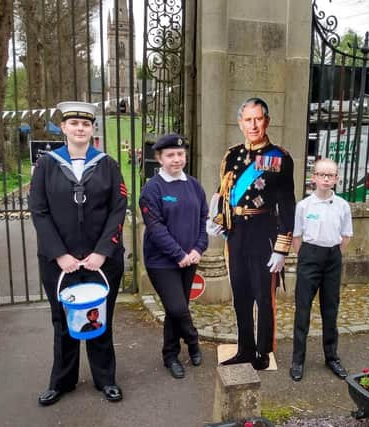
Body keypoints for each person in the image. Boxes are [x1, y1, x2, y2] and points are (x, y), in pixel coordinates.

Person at [29, 101, 127, 406]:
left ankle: (105, 379)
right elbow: (38, 210)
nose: (80, 129)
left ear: (92, 128)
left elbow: (118, 208)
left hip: (101, 261)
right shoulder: (47, 165)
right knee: (62, 321)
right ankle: (62, 381)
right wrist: (60, 255)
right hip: (60, 262)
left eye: (86, 124)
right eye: (74, 124)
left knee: (101, 319)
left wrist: (102, 252)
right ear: (64, 128)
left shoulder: (107, 164)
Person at [210, 97, 295, 370]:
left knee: (263, 297)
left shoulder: (280, 158)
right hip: (236, 234)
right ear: (241, 123)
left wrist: (282, 247)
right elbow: (223, 193)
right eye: (248, 120)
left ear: (266, 121)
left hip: (263, 233)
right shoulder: (231, 155)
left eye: (258, 119)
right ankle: (244, 348)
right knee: (241, 294)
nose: (254, 125)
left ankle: (262, 352)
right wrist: (218, 219)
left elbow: (287, 204)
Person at [139, 133, 208, 379]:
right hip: (162, 262)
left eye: (180, 154)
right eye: (170, 155)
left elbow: (203, 222)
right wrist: (178, 254)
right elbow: (155, 228)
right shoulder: (152, 189)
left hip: (190, 259)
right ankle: (193, 341)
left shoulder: (194, 186)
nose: (176, 159)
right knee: (178, 308)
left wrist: (198, 249)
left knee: (175, 309)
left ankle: (170, 355)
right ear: (159, 158)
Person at [289, 158, 353, 381]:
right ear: (313, 177)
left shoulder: (343, 205)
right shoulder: (304, 206)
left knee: (330, 309)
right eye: (322, 175)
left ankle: (331, 357)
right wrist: (306, 257)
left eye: (331, 175)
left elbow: (345, 236)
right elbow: (296, 236)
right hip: (309, 257)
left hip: (332, 258)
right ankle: (298, 359)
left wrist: (333, 254)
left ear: (336, 179)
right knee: (303, 310)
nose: (326, 179)